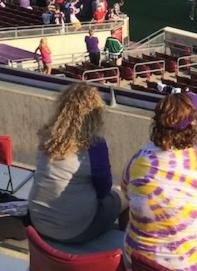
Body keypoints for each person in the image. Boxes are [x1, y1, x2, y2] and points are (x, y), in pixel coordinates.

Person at [123, 93, 197, 271]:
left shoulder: (138, 160)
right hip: (191, 266)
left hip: (136, 262)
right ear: (192, 124)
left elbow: (126, 192)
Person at [28, 84, 126, 245]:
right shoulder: (95, 146)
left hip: (37, 221)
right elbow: (103, 191)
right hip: (74, 231)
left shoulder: (46, 137)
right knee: (125, 194)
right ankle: (123, 247)